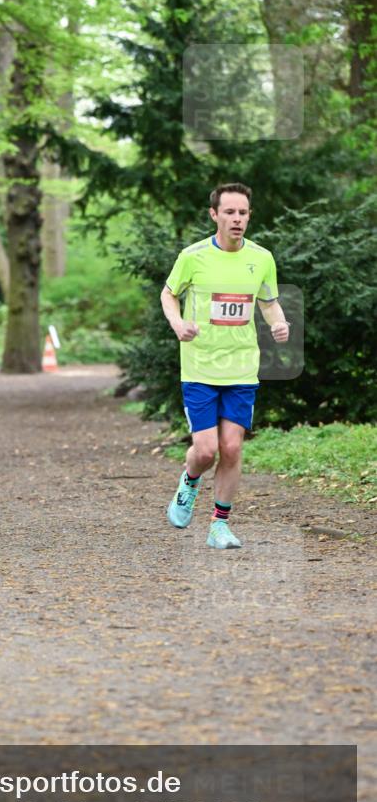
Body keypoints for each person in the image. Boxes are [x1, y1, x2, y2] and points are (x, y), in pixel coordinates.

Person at [160, 183, 289, 549]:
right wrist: (178, 324)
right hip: (200, 367)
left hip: (242, 367)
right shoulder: (193, 256)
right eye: (229, 212)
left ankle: (219, 525)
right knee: (205, 451)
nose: (237, 219)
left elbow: (268, 302)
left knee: (231, 448)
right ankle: (189, 481)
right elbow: (169, 294)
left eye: (243, 213)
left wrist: (279, 322)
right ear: (214, 214)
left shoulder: (261, 258)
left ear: (249, 216)